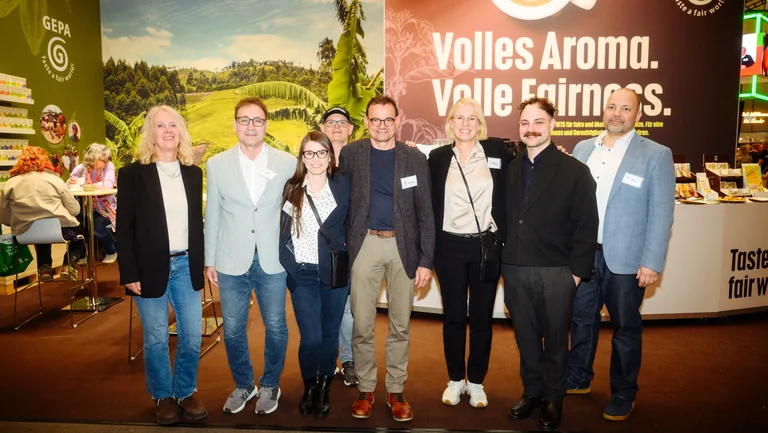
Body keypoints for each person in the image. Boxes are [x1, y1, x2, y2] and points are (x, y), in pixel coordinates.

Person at [568, 88, 675, 422]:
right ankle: (579, 378)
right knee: (580, 320)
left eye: (625, 108)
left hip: (627, 261)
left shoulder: (655, 154)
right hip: (585, 256)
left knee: (626, 329)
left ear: (638, 115)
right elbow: (570, 205)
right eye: (612, 106)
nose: (617, 113)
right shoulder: (583, 149)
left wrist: (652, 261)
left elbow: (662, 212)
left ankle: (624, 393)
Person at [503, 97, 598, 431]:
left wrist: (574, 275)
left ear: (552, 125)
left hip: (556, 271)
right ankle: (532, 391)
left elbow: (587, 226)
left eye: (538, 122)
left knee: (557, 340)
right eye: (525, 123)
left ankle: (554, 398)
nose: (531, 129)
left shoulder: (574, 171)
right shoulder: (512, 168)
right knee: (526, 338)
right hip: (515, 269)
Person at [339, 95, 435, 422]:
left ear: (398, 120)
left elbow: (425, 212)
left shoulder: (414, 158)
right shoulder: (351, 155)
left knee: (400, 324)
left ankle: (396, 389)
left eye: (388, 119)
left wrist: (426, 260)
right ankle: (365, 389)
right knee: (362, 323)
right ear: (366, 121)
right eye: (375, 119)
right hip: (364, 244)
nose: (381, 125)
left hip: (402, 247)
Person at [205, 96, 297, 415]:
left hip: (273, 259)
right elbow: (213, 214)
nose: (251, 126)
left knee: (276, 325)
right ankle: (245, 384)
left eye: (257, 120)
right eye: (244, 120)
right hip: (231, 260)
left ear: (266, 125)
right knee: (232, 329)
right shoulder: (217, 165)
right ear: (234, 124)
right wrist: (209, 259)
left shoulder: (287, 163)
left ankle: (270, 383)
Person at [116, 105, 206, 426]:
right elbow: (123, 228)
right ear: (150, 135)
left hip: (186, 266)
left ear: (180, 132)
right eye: (160, 126)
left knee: (192, 334)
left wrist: (204, 262)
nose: (167, 130)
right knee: (155, 338)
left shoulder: (193, 174)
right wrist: (128, 272)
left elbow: (196, 224)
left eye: (173, 125)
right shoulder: (131, 175)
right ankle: (162, 396)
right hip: (148, 267)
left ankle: (183, 391)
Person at [427, 98, 512, 409]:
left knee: (480, 318)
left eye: (471, 118)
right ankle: (454, 378)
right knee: (452, 317)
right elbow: (427, 202)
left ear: (480, 124)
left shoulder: (497, 152)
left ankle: (475, 381)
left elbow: (520, 179)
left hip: (485, 247)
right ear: (450, 122)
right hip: (447, 247)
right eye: (459, 118)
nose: (465, 123)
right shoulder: (436, 158)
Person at [279, 131, 350, 418]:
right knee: (310, 337)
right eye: (309, 153)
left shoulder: (343, 184)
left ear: (330, 155)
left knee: (330, 333)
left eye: (321, 153)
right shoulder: (292, 188)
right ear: (302, 157)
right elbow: (283, 232)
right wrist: (292, 271)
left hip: (334, 271)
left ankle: (324, 387)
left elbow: (354, 221)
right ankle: (309, 386)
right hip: (303, 273)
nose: (316, 159)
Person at [0, 146, 82, 281]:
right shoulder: (55, 180)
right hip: (59, 231)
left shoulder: (10, 184)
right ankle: (69, 265)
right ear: (44, 160)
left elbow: (4, 218)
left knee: (40, 233)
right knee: (81, 234)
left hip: (23, 234)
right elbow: (75, 210)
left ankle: (44, 267)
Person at [319, 106, 358, 387]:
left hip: (352, 247)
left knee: (347, 309)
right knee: (320, 308)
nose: (336, 126)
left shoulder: (359, 159)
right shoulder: (313, 158)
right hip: (317, 249)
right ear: (322, 128)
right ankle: (325, 361)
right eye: (330, 122)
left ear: (351, 128)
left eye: (342, 122)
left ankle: (348, 360)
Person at [67, 143, 118, 265]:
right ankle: (82, 254)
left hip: (105, 207)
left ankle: (111, 250)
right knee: (76, 223)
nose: (106, 162)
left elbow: (108, 184)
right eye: (103, 159)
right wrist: (72, 182)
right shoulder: (81, 168)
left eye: (107, 159)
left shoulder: (108, 166)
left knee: (98, 224)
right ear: (93, 159)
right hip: (85, 207)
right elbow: (67, 184)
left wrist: (84, 185)